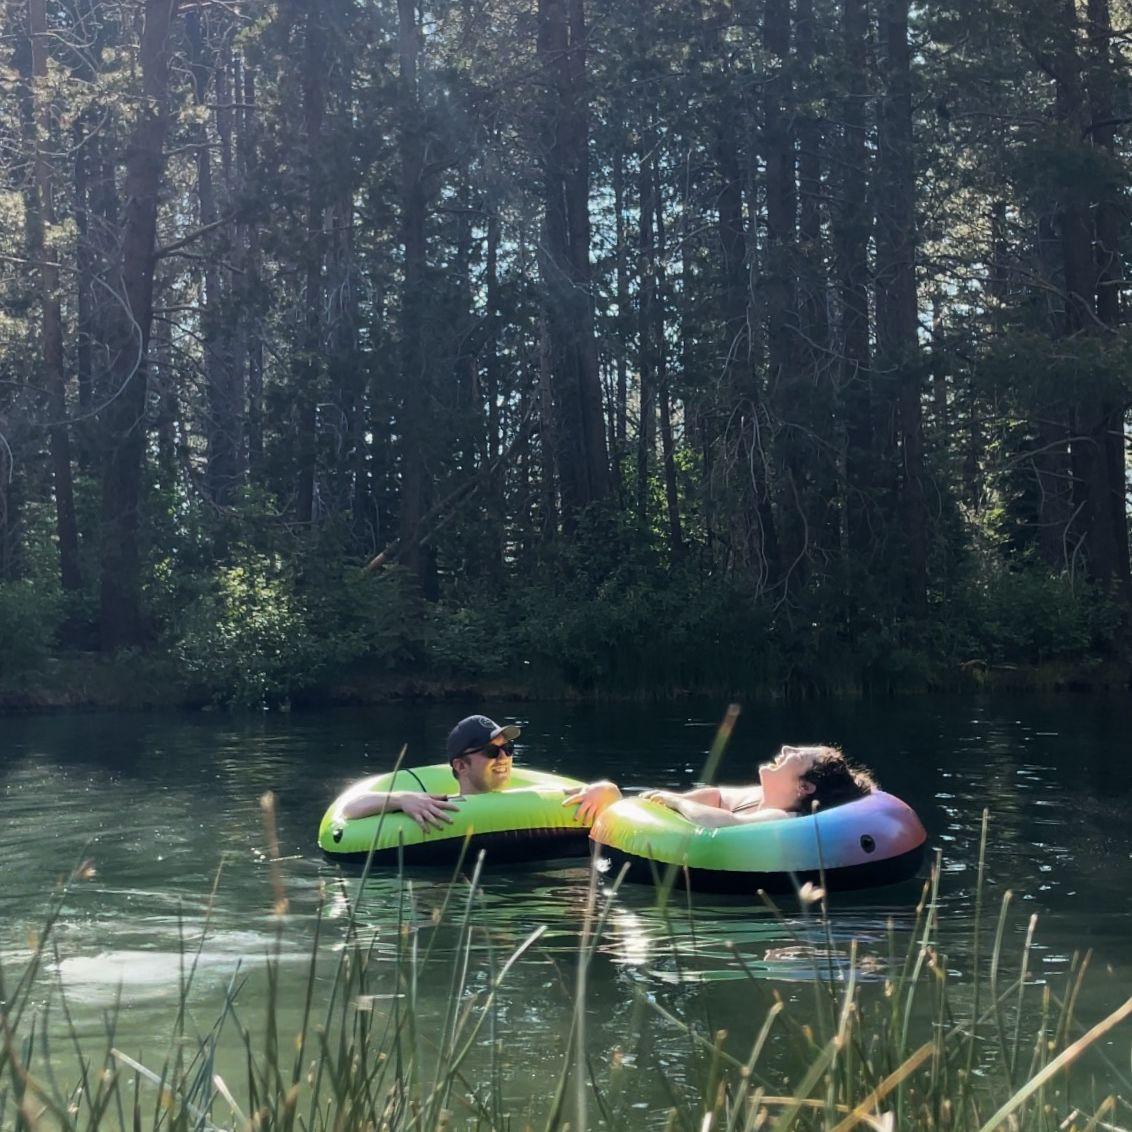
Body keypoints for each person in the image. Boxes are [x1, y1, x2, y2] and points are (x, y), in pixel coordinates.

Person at [340, 715, 622, 831]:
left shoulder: (537, 801)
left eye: (507, 749)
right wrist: (402, 800)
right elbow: (349, 809)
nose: (503, 758)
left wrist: (605, 788)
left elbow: (616, 799)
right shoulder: (440, 804)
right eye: (490, 751)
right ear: (460, 766)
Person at [641, 745, 875, 828]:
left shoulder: (781, 817)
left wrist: (676, 802)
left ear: (804, 787)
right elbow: (717, 797)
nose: (786, 749)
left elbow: (723, 823)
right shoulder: (756, 797)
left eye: (798, 755)